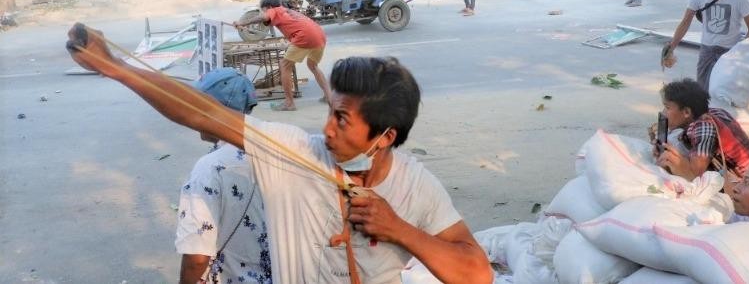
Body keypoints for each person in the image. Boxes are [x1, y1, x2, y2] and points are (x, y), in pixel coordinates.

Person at [65, 25, 493, 284]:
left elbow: (477, 274)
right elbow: (206, 113)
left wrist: (398, 228)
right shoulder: (294, 154)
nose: (326, 129)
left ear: (384, 136)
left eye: (342, 120)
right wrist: (114, 67)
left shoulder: (416, 187)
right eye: (329, 111)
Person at [176, 68, 271, 284]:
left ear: (212, 111)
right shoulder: (274, 151)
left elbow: (196, 258)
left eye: (198, 106)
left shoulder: (209, 169)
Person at [664, 0, 749, 91]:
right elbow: (685, 22)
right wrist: (671, 48)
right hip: (706, 51)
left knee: (723, 90)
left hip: (729, 52)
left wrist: (740, 52)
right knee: (702, 91)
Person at [234, 0, 331, 111]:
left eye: (264, 9)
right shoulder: (287, 11)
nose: (264, 12)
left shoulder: (274, 10)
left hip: (305, 36)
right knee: (313, 66)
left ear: (269, 7)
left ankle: (289, 103)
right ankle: (329, 96)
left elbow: (264, 17)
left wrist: (242, 23)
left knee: (284, 65)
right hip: (319, 35)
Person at [655, 79, 749, 183]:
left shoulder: (704, 127)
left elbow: (694, 176)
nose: (663, 112)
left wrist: (672, 161)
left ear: (686, 112)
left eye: (667, 107)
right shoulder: (714, 113)